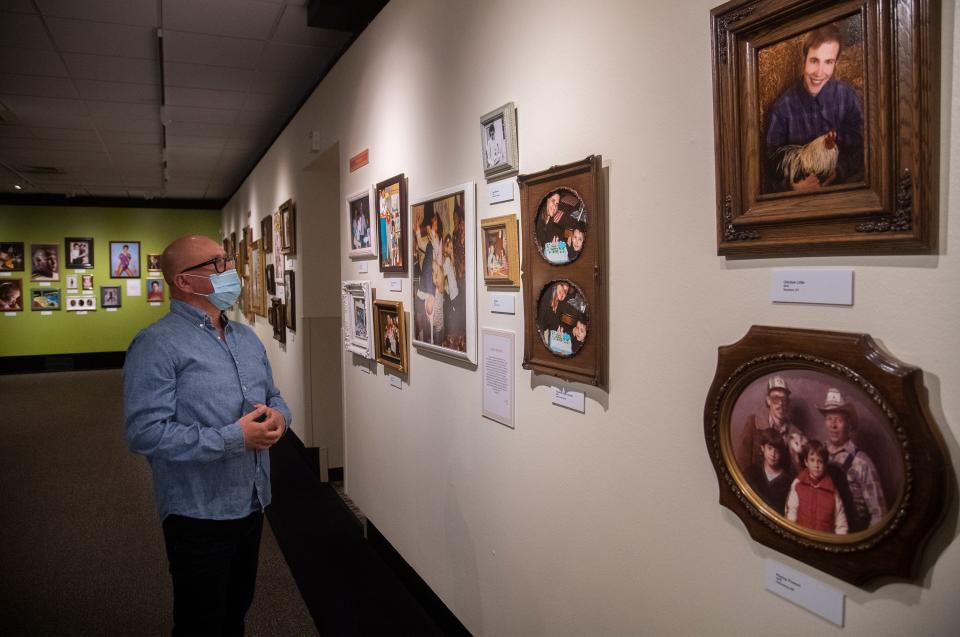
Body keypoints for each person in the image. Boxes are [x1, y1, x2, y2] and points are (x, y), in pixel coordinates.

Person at [123, 235, 291, 635]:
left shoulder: (245, 337)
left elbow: (275, 397)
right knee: (201, 620)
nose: (230, 271)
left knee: (236, 610)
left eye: (227, 260)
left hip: (251, 500)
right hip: (198, 511)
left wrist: (280, 420)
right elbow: (145, 433)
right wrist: (235, 438)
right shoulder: (156, 345)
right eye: (216, 264)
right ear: (183, 281)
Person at [764, 24, 864, 192]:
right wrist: (791, 186)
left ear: (835, 64)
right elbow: (770, 166)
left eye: (828, 62)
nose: (819, 72)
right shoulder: (783, 108)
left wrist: (838, 171)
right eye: (814, 60)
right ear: (803, 60)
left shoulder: (847, 97)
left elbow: (864, 148)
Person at [820, 388, 887, 532]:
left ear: (849, 424)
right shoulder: (817, 454)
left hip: (851, 533)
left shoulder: (862, 462)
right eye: (830, 419)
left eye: (839, 419)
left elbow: (879, 515)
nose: (833, 425)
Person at [736, 376, 806, 473]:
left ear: (788, 402)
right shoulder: (753, 423)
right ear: (768, 401)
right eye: (776, 398)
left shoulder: (796, 434)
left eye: (784, 399)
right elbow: (741, 461)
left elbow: (800, 472)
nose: (780, 403)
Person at [785, 440, 848, 534]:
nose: (816, 465)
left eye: (820, 461)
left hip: (825, 543)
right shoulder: (798, 484)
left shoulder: (832, 491)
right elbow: (791, 516)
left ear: (825, 464)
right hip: (801, 539)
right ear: (806, 462)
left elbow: (841, 524)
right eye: (812, 460)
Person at [745, 428, 794, 514]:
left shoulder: (788, 482)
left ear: (781, 453)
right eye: (770, 448)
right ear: (763, 448)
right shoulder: (751, 472)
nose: (773, 454)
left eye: (777, 451)